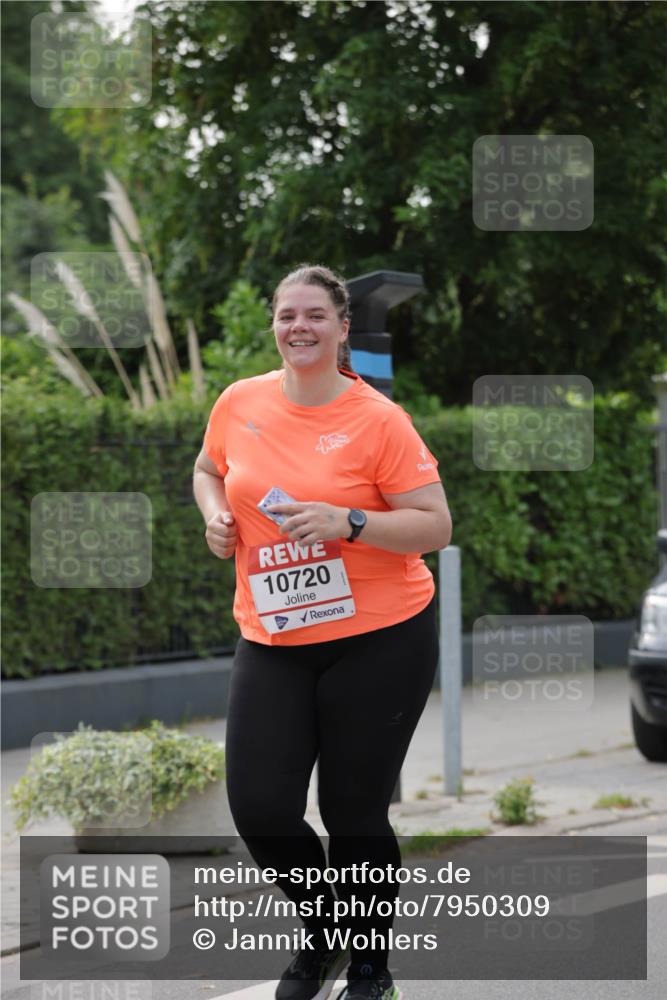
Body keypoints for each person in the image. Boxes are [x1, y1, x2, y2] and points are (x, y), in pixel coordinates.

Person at [193, 263, 452, 1000]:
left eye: (314, 315)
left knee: (352, 811)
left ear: (342, 328)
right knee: (262, 808)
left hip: (380, 635)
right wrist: (213, 515)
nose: (297, 327)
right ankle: (326, 932)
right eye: (285, 315)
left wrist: (352, 521)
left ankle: (369, 969)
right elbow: (208, 470)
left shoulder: (378, 420)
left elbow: (434, 524)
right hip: (272, 636)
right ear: (273, 325)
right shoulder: (239, 401)